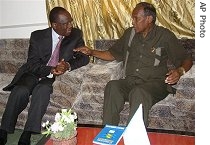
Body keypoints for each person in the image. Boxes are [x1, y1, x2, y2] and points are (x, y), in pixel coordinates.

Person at [74, 2, 193, 127]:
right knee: (112, 86)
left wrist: (179, 72)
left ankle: (135, 137)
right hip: (131, 82)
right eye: (132, 18)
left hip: (156, 84)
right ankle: (108, 132)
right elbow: (112, 54)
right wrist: (91, 51)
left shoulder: (164, 35)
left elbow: (186, 59)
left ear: (149, 19)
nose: (132, 22)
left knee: (139, 92)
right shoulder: (129, 34)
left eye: (136, 18)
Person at [0, 7, 89, 145]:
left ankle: (27, 133)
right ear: (54, 25)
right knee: (20, 90)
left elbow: (84, 58)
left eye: (70, 21)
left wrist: (67, 65)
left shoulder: (75, 35)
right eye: (66, 23)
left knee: (42, 91)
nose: (70, 25)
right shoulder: (37, 36)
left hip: (52, 78)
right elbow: (31, 63)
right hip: (35, 72)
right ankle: (3, 130)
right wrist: (50, 69)